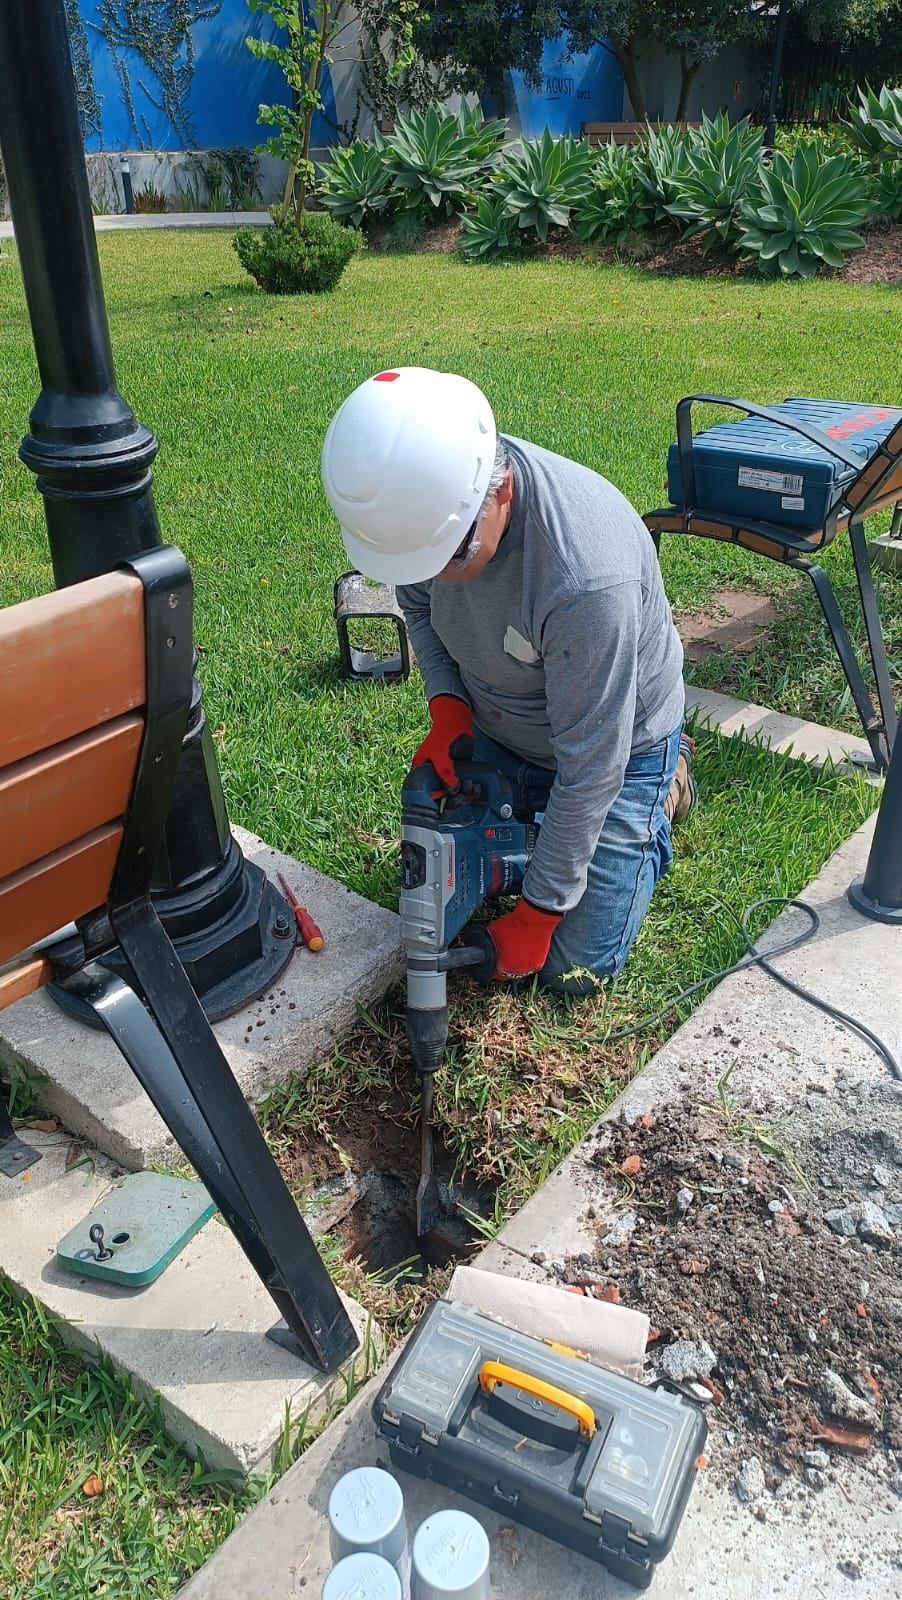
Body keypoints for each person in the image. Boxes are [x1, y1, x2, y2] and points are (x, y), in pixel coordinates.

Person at [321, 366, 695, 993]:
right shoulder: (429, 511)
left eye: (449, 558)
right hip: (499, 726)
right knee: (436, 876)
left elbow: (591, 768)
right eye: (416, 562)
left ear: (499, 492)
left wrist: (538, 914)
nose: (433, 575)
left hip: (617, 753)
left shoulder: (585, 577)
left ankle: (666, 788)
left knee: (571, 970)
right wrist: (449, 710)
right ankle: (538, 821)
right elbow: (416, 607)